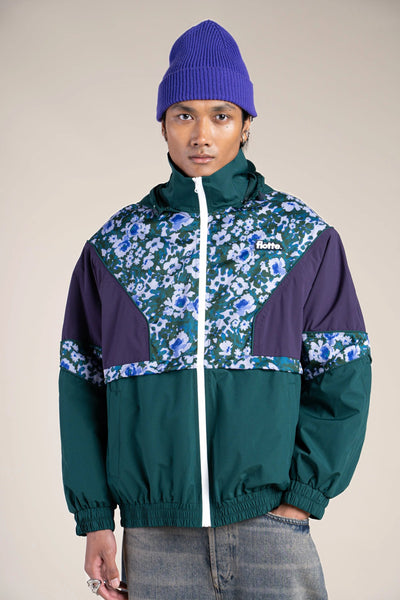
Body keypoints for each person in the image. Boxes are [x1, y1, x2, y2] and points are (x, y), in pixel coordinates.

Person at [59, 20, 371, 600]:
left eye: (221, 116)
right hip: (155, 536)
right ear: (163, 124)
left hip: (270, 527)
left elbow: (343, 374)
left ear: (246, 124)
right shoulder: (114, 249)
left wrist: (301, 500)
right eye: (184, 115)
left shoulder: (303, 238)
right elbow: (81, 388)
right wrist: (95, 517)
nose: (201, 134)